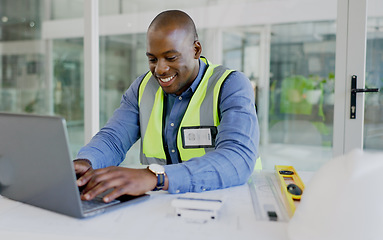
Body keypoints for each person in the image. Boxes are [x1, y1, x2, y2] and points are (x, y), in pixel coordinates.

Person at [74, 10, 259, 203]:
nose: (160, 69)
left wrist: (156, 177)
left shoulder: (231, 85)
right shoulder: (142, 88)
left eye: (171, 58)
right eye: (152, 59)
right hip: (164, 208)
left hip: (229, 203)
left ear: (196, 50)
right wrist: (87, 162)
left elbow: (238, 157)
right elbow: (113, 139)